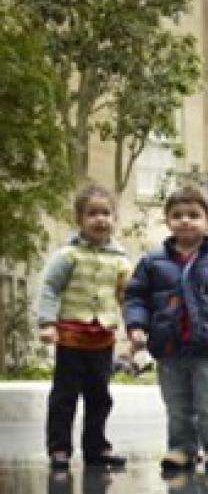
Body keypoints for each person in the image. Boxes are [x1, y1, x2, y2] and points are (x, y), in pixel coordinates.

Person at [124, 186, 208, 474]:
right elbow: (136, 297)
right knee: (177, 403)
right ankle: (182, 447)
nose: (185, 220)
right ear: (168, 221)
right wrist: (136, 325)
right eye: (178, 215)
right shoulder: (152, 262)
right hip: (169, 347)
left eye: (194, 215)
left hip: (207, 347)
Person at [37, 183, 132, 471]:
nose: (100, 219)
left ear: (115, 218)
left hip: (102, 338)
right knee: (65, 396)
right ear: (80, 219)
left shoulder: (121, 260)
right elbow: (51, 288)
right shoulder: (67, 255)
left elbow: (127, 296)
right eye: (92, 214)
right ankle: (59, 448)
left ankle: (96, 447)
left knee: (99, 396)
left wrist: (133, 330)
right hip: (70, 336)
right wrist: (47, 323)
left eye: (106, 213)